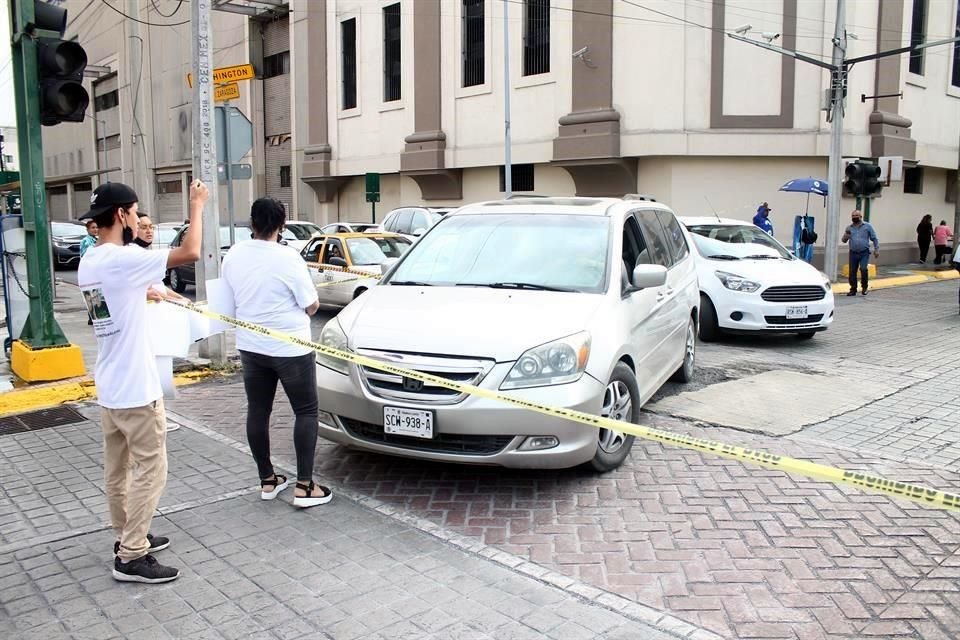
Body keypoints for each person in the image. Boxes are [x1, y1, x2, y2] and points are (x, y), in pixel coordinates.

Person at [78, 179, 208, 584]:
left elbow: (122, 299)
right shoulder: (121, 259)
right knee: (152, 468)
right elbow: (190, 252)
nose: (138, 220)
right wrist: (196, 205)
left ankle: (126, 536)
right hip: (136, 388)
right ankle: (133, 553)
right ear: (121, 215)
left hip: (110, 386)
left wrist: (150, 295)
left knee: (117, 471)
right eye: (135, 213)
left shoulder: (91, 262)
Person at [222, 198, 332, 509]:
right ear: (281, 225)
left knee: (258, 410)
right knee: (306, 411)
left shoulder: (234, 255)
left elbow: (229, 302)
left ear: (251, 223)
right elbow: (311, 305)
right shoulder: (289, 258)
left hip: (251, 346)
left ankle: (267, 480)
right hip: (291, 348)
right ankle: (305, 485)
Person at [841, 209, 880, 296]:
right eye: (853, 216)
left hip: (864, 252)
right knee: (852, 272)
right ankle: (853, 289)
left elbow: (874, 238)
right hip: (853, 253)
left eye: (856, 216)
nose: (854, 218)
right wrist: (846, 235)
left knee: (863, 269)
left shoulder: (867, 226)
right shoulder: (849, 228)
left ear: (861, 217)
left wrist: (876, 249)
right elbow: (843, 240)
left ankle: (864, 287)